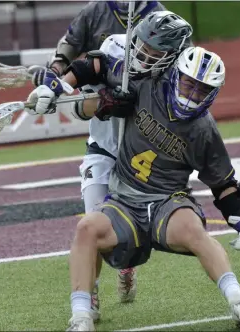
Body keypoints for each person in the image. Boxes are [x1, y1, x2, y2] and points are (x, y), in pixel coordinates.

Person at [27, 45, 240, 331]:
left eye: (202, 90)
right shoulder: (146, 86)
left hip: (168, 201)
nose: (192, 95)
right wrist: (56, 88)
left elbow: (224, 184)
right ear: (176, 76)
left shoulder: (204, 129)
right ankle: (81, 316)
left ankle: (239, 301)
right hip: (124, 202)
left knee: (194, 230)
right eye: (189, 84)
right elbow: (95, 66)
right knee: (87, 229)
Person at [30, 10, 193, 323]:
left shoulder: (172, 65)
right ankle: (89, 297)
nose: (146, 49)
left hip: (141, 157)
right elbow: (82, 102)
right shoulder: (113, 48)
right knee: (93, 223)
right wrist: (57, 90)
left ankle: (127, 263)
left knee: (128, 233)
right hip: (103, 151)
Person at [45, 1, 166, 76]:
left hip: (141, 86)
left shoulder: (159, 13)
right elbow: (71, 42)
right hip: (97, 88)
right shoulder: (94, 9)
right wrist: (56, 69)